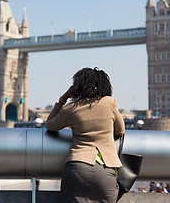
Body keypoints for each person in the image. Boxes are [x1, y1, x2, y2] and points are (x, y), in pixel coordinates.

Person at [45, 67, 125, 203]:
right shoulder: (109, 102)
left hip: (76, 169)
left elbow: (50, 125)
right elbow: (120, 130)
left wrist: (62, 99)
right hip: (105, 170)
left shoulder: (70, 108)